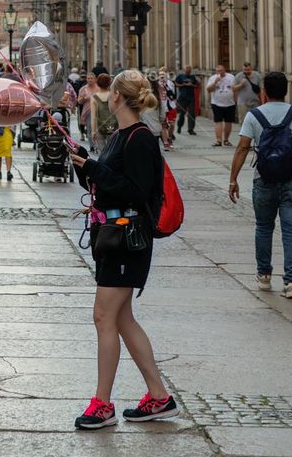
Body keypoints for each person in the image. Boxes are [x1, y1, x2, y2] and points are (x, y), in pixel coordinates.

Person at [71, 69, 177, 428]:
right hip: (113, 236)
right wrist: (84, 164)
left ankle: (102, 404)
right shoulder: (120, 135)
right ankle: (159, 397)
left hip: (128, 240)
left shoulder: (141, 139)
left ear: (116, 96)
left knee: (104, 316)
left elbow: (137, 191)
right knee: (121, 318)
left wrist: (97, 169)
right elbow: (107, 184)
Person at [229, 70, 292, 298]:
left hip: (263, 179)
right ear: (286, 90)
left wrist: (233, 179)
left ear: (264, 92)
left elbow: (242, 147)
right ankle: (291, 283)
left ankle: (264, 276)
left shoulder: (254, 116)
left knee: (263, 227)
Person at [207, 63, 237, 146]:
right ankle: (218, 140)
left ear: (224, 70)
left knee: (228, 122)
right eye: (218, 71)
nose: (220, 72)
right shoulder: (213, 78)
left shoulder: (231, 77)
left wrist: (235, 100)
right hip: (216, 103)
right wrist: (215, 82)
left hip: (230, 103)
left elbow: (235, 89)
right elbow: (209, 90)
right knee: (218, 121)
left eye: (221, 70)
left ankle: (226, 140)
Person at [90, 73, 117, 152]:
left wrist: (93, 131)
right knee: (113, 151)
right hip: (114, 126)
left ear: (97, 83)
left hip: (100, 126)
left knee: (102, 152)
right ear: (109, 83)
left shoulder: (94, 97)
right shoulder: (114, 96)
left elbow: (93, 116)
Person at [174, 65, 198, 135]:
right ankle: (179, 126)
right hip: (182, 97)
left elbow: (197, 85)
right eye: (187, 70)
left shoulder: (193, 77)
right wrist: (183, 85)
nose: (188, 72)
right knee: (182, 113)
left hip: (191, 98)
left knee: (192, 114)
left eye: (189, 71)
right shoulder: (180, 76)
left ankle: (191, 129)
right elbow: (176, 84)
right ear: (184, 70)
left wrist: (191, 85)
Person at [78, 72, 98, 141]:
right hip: (88, 111)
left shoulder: (99, 88)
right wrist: (84, 98)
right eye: (88, 78)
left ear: (95, 79)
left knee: (97, 128)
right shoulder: (83, 89)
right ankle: (92, 145)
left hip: (98, 111)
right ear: (86, 79)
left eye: (91, 78)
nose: (90, 80)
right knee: (90, 128)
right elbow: (79, 101)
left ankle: (97, 144)